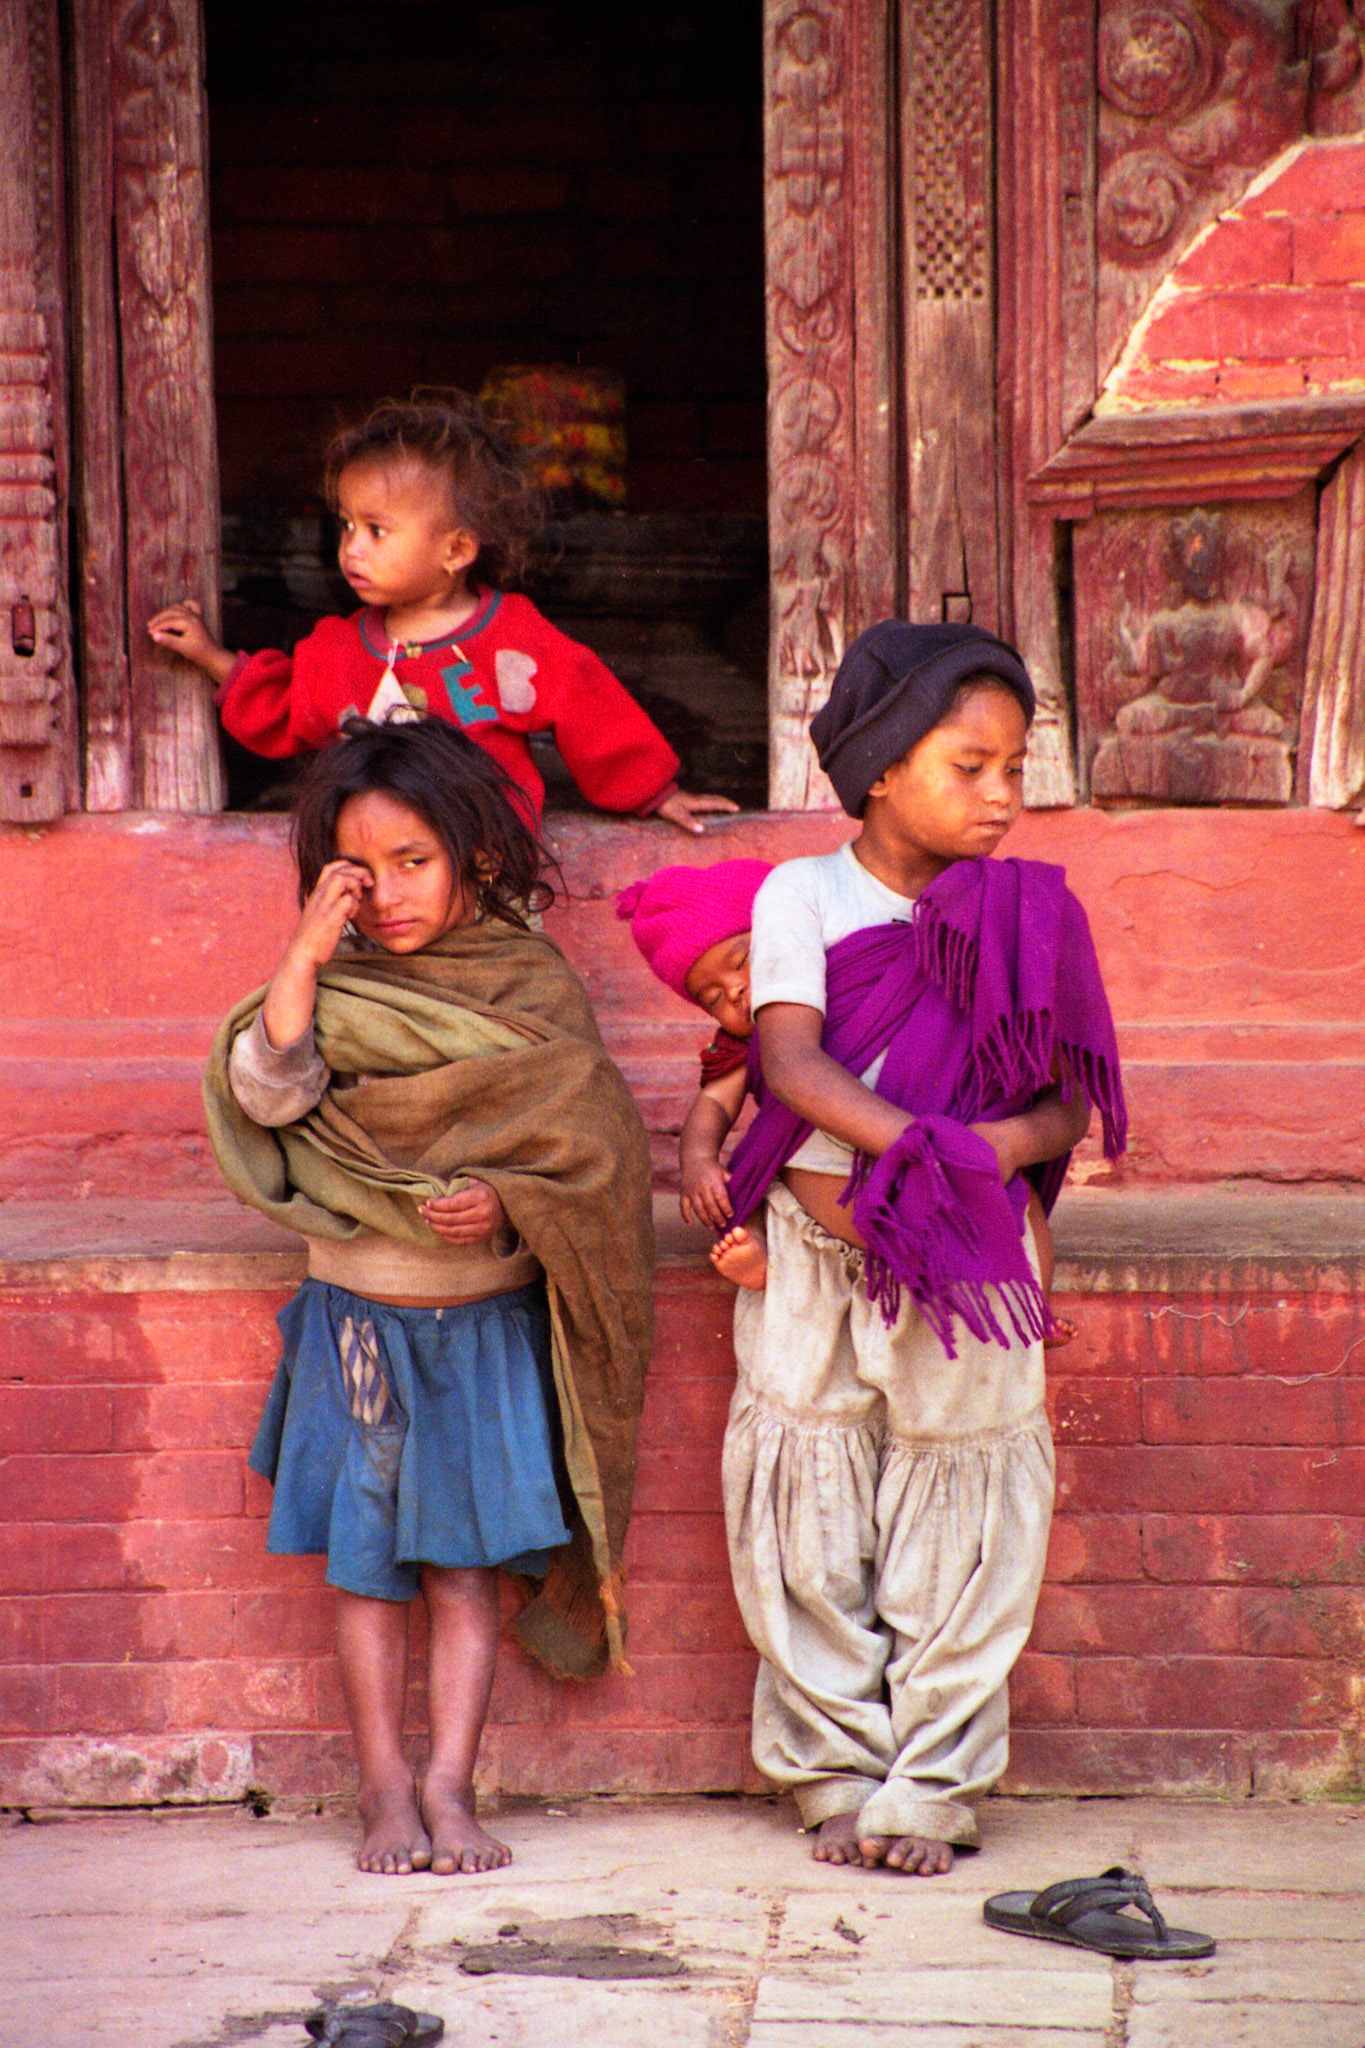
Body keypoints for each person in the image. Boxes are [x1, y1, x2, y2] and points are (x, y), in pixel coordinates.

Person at [202, 717, 653, 1877]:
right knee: (368, 1563)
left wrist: (508, 1201)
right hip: (360, 1325)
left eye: (417, 862)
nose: (393, 895)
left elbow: (588, 1146)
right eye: (364, 871)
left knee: (463, 1566)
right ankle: (384, 1789)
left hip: (486, 1329)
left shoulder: (530, 986)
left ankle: (451, 1783)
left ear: (475, 856)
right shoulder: (331, 988)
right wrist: (303, 955)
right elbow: (270, 1095)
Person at [721, 622, 1126, 1877]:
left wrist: (982, 1160)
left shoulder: (1033, 912)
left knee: (967, 1511)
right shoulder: (805, 895)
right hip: (817, 1251)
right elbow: (789, 1061)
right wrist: (925, 1149)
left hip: (971, 1264)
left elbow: (1069, 1107)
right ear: (883, 766)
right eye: (972, 765)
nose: (1005, 795)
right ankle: (834, 1767)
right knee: (807, 1506)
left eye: (1017, 766)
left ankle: (935, 1781)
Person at [149, 389, 738, 836]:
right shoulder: (341, 647)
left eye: (377, 530)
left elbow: (589, 705)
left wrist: (654, 793)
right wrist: (209, 656)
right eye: (348, 525)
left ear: (455, 550)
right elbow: (286, 704)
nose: (351, 547)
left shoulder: (512, 637)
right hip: (376, 872)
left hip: (486, 861)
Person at [616, 859, 773, 1289]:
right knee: (754, 1172)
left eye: (742, 960)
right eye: (713, 997)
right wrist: (699, 1163)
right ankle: (757, 1247)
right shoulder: (744, 1044)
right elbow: (714, 1103)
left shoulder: (849, 986)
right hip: (797, 1169)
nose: (734, 989)